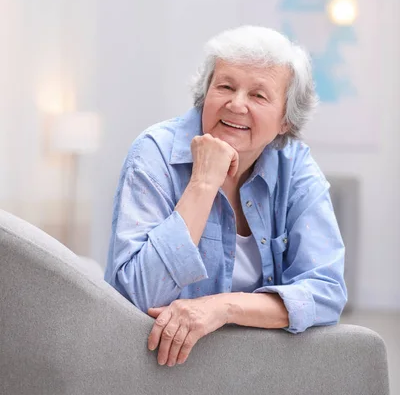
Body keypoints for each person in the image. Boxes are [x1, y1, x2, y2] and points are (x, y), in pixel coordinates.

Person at [105, 25, 347, 367]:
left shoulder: (295, 165)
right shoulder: (154, 154)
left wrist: (222, 307)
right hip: (158, 367)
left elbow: (326, 292)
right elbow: (137, 297)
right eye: (225, 86)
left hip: (255, 370)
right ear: (205, 94)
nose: (236, 104)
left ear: (285, 122)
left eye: (259, 95)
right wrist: (203, 184)